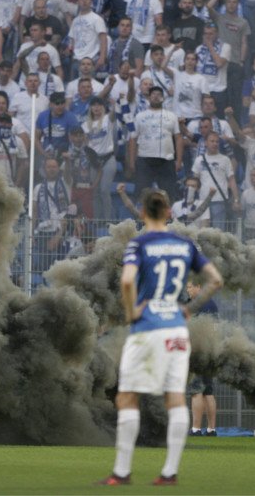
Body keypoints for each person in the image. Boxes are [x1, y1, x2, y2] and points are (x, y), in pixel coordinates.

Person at [98, 188, 223, 487]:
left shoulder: (139, 244)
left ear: (143, 213)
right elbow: (215, 280)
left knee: (128, 396)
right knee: (176, 398)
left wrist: (132, 311)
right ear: (169, 212)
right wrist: (190, 308)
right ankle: (169, 473)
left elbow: (127, 280)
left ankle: (122, 472)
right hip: (177, 329)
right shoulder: (185, 245)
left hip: (147, 328)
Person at [129, 86, 184, 201]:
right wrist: (131, 161)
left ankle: (169, 219)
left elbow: (178, 138)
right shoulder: (139, 116)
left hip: (166, 160)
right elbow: (133, 139)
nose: (156, 96)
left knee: (169, 194)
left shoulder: (172, 116)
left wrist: (178, 160)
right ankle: (139, 218)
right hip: (145, 159)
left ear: (163, 98)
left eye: (159, 94)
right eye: (153, 94)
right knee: (141, 193)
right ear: (148, 97)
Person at [186, 279, 219, 438]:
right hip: (210, 352)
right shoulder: (211, 304)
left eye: (190, 287)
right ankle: (212, 429)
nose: (188, 291)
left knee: (196, 392)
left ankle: (196, 429)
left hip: (198, 352)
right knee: (208, 392)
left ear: (199, 286)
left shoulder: (198, 305)